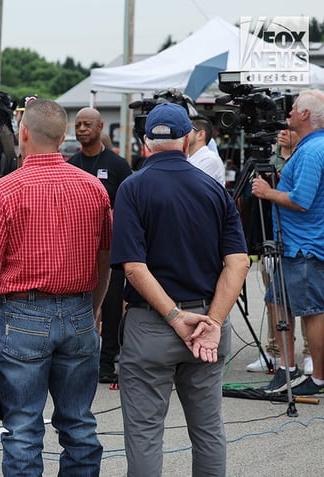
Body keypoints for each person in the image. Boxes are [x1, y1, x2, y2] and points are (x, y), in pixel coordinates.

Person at [0, 98, 112, 476]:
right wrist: (93, 308)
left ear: (23, 133)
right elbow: (104, 258)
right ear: (65, 137)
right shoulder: (94, 189)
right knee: (79, 424)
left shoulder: (4, 190)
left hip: (24, 313)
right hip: (79, 309)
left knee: (23, 429)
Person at [112, 103, 249, 476]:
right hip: (207, 322)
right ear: (189, 139)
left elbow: (134, 268)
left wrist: (174, 317)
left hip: (153, 325)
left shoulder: (133, 187)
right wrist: (215, 321)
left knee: (144, 435)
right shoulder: (213, 189)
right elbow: (239, 262)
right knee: (208, 430)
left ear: (145, 143)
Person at [252, 89, 324, 396]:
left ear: (306, 115)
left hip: (304, 246)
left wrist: (268, 193)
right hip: (293, 245)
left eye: (293, 109)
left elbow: (301, 200)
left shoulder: (311, 151)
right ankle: (286, 367)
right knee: (276, 301)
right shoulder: (308, 147)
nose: (287, 114)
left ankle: (318, 378)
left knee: (311, 310)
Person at [67, 107, 132, 384]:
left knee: (111, 304)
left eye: (87, 124)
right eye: (78, 124)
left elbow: (131, 206)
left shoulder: (117, 165)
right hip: (77, 251)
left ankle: (106, 362)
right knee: (78, 304)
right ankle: (78, 358)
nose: (82, 129)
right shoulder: (70, 164)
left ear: (100, 126)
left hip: (111, 250)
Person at [245, 128, 312, 377]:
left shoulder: (306, 156)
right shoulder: (267, 158)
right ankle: (273, 352)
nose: (283, 133)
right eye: (279, 129)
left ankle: (309, 354)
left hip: (299, 240)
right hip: (270, 238)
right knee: (274, 300)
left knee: (306, 301)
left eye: (289, 129)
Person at [187, 116, 226, 185]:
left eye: (187, 129)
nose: (183, 133)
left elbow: (189, 185)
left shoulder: (210, 159)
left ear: (200, 135)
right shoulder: (188, 157)